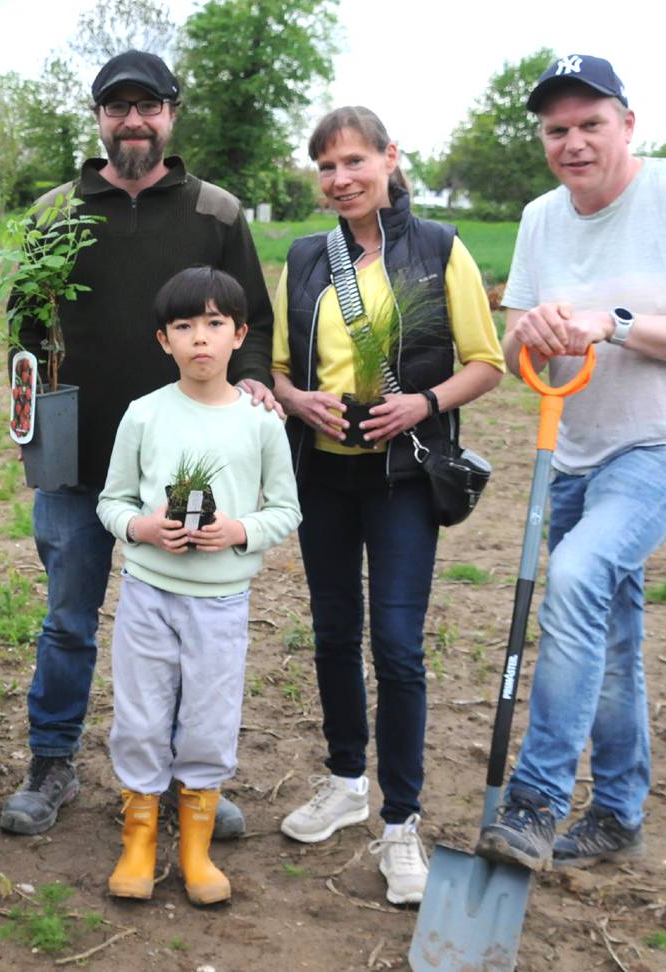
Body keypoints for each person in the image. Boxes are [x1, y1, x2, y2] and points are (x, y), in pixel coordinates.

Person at [474, 55, 666, 872]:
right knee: (609, 630)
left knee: (578, 576)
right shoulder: (539, 218)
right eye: (556, 130)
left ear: (627, 125)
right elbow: (520, 320)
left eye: (591, 124)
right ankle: (622, 811)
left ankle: (533, 802)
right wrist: (543, 326)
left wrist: (611, 322)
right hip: (576, 449)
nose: (573, 143)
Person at [2, 49, 281, 839]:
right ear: (98, 119)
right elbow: (24, 330)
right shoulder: (55, 213)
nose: (133, 121)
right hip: (78, 458)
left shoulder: (216, 214)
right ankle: (52, 761)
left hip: (189, 463)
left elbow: (250, 321)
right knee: (68, 619)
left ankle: (185, 781)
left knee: (192, 627)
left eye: (147, 106)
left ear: (171, 113)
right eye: (117, 108)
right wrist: (28, 411)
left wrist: (253, 382)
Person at [269, 107, 505, 905]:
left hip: (403, 478)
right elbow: (274, 371)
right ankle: (346, 781)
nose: (341, 180)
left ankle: (400, 823)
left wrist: (424, 403)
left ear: (388, 159)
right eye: (327, 167)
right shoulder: (304, 259)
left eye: (354, 162)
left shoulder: (439, 248)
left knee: (397, 646)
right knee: (334, 633)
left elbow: (486, 361)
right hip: (324, 477)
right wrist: (298, 402)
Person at [96, 267, 301, 906]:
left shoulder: (262, 422)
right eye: (184, 327)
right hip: (147, 596)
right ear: (164, 341)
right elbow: (112, 500)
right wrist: (144, 528)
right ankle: (138, 837)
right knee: (141, 714)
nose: (200, 339)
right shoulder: (144, 415)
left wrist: (239, 530)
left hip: (222, 601)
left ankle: (195, 846)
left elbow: (287, 511)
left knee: (210, 719)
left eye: (215, 324)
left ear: (240, 334)